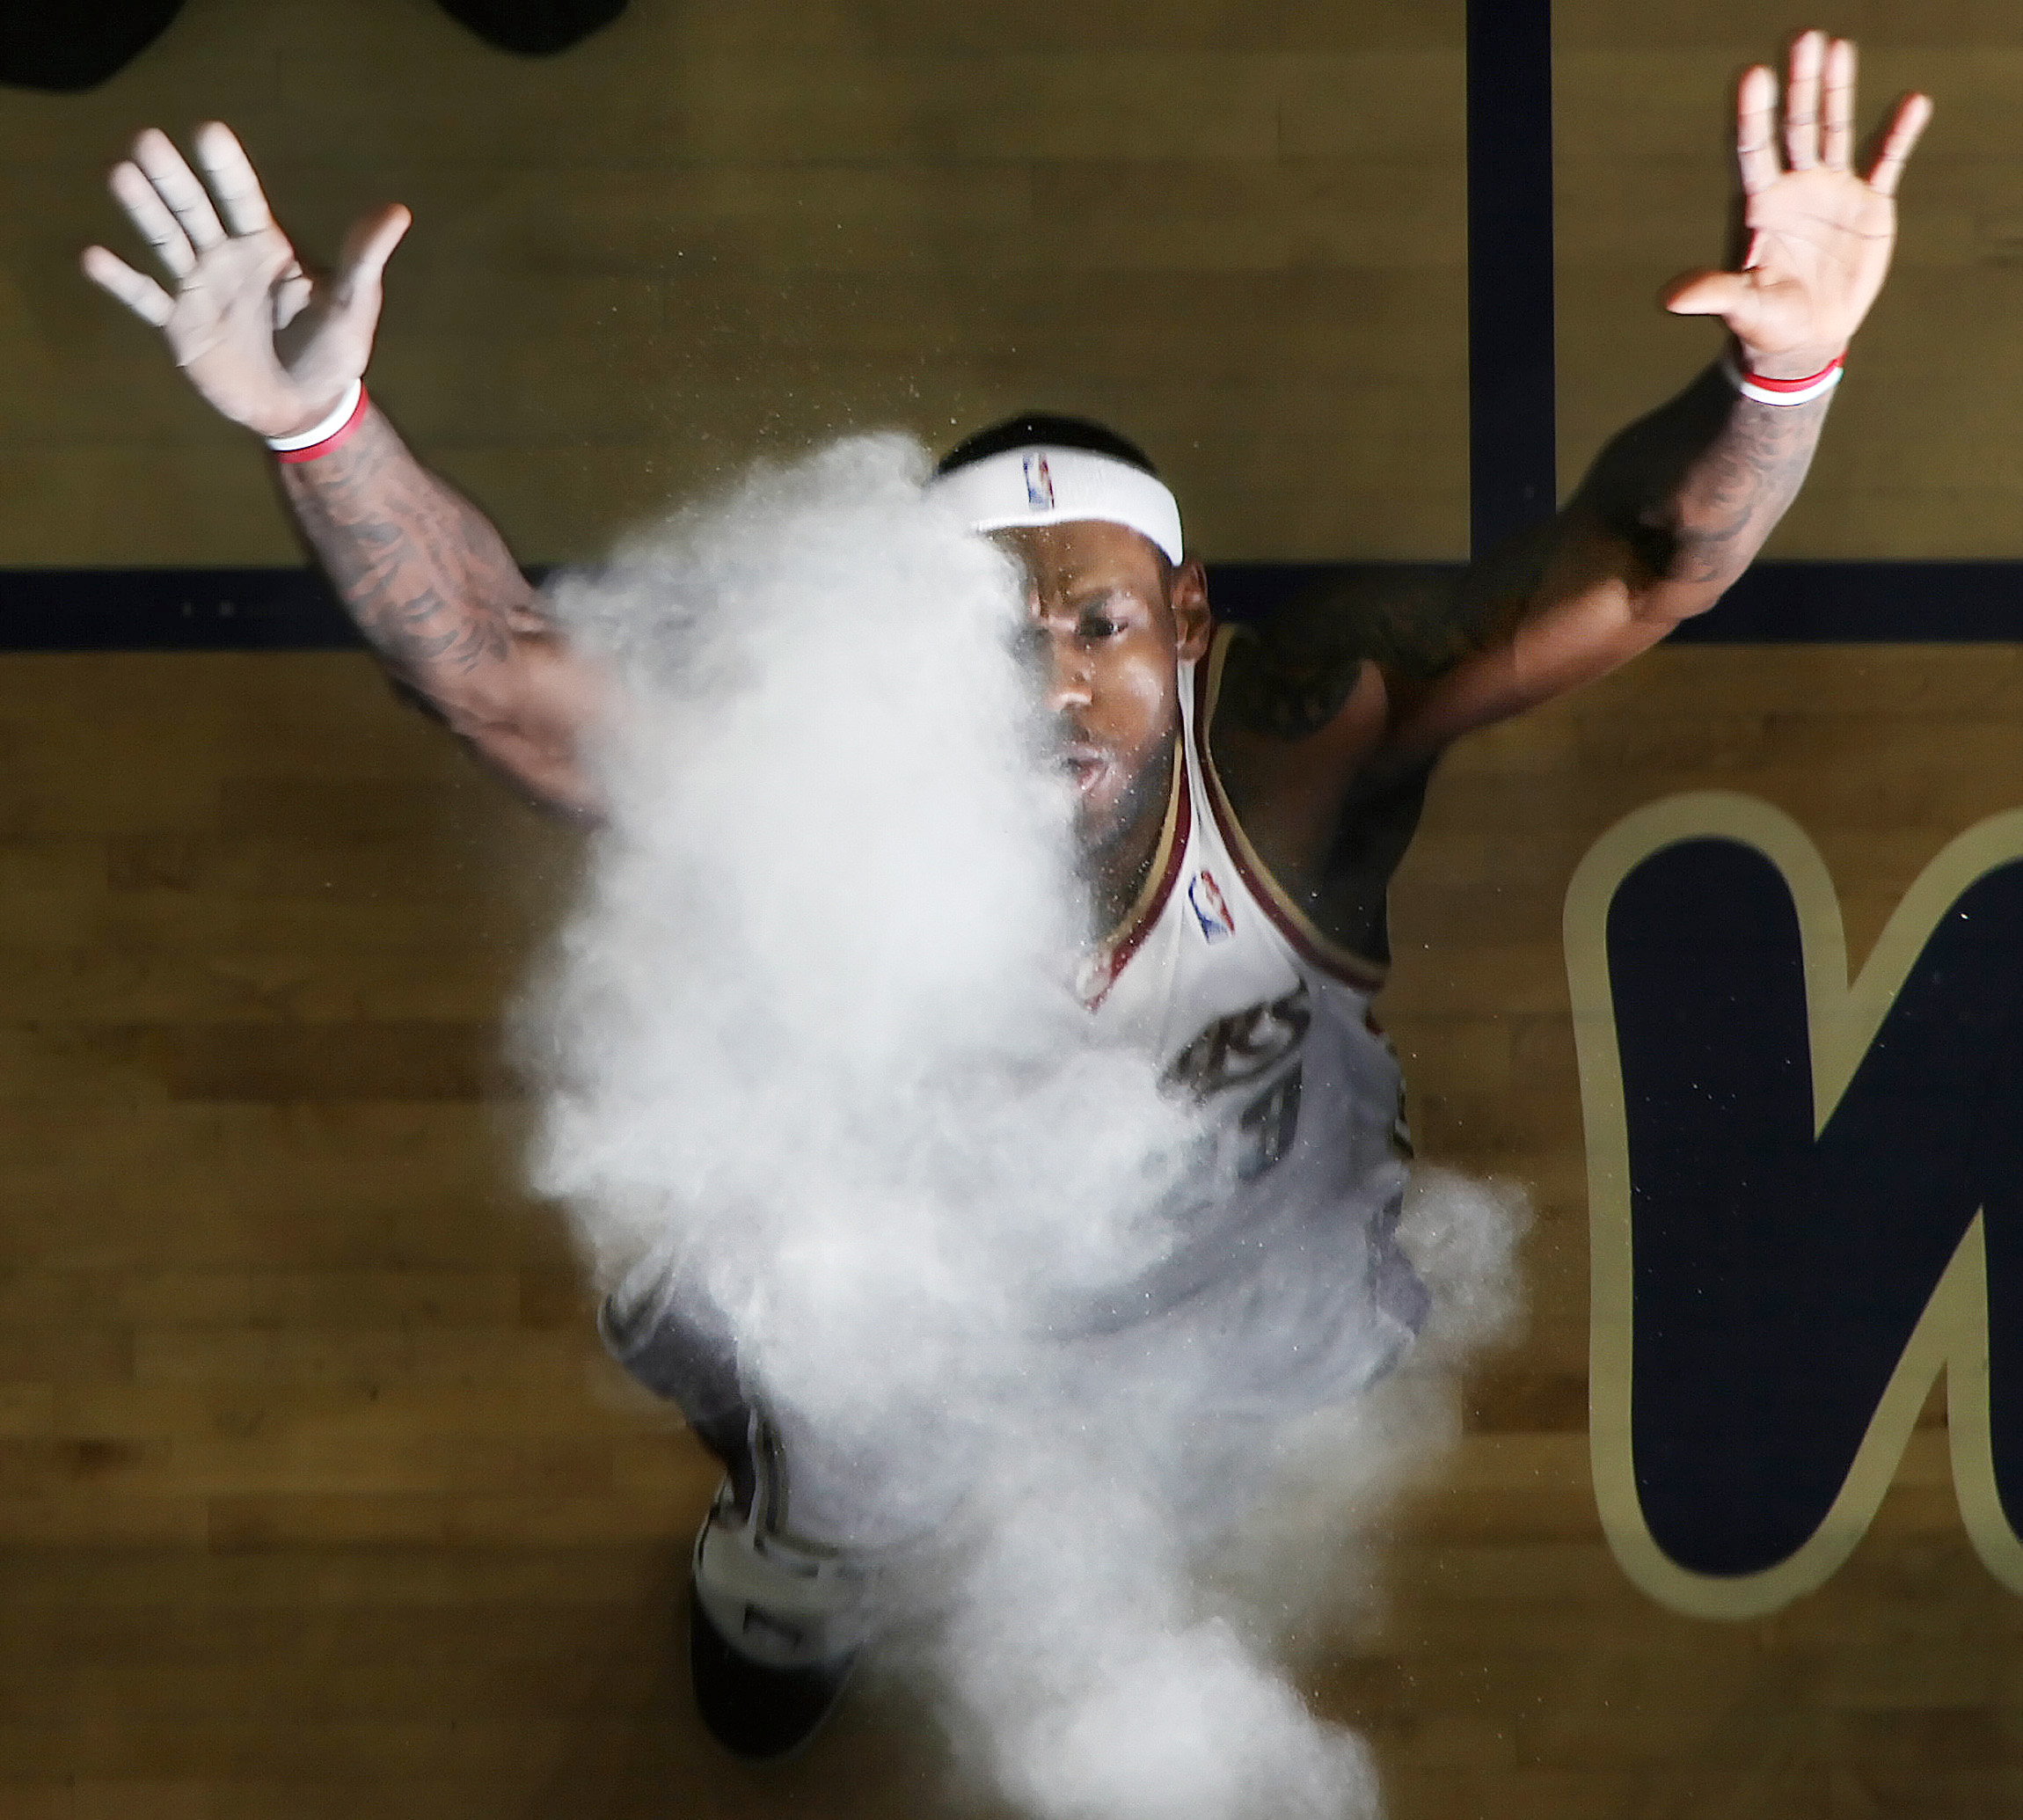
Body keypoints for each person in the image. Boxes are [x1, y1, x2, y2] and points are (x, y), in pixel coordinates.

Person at [81, 30, 1928, 1761]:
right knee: (798, 1541)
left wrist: (1782, 373)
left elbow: (1642, 562)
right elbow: (490, 661)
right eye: (983, 629)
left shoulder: (1293, 763)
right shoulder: (807, 777)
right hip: (903, 1318)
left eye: (1098, 623)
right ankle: (789, 1564)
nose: (1046, 677)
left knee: (1165, 1530)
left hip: (1248, 1302)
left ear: (1188, 631)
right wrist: (322, 433)